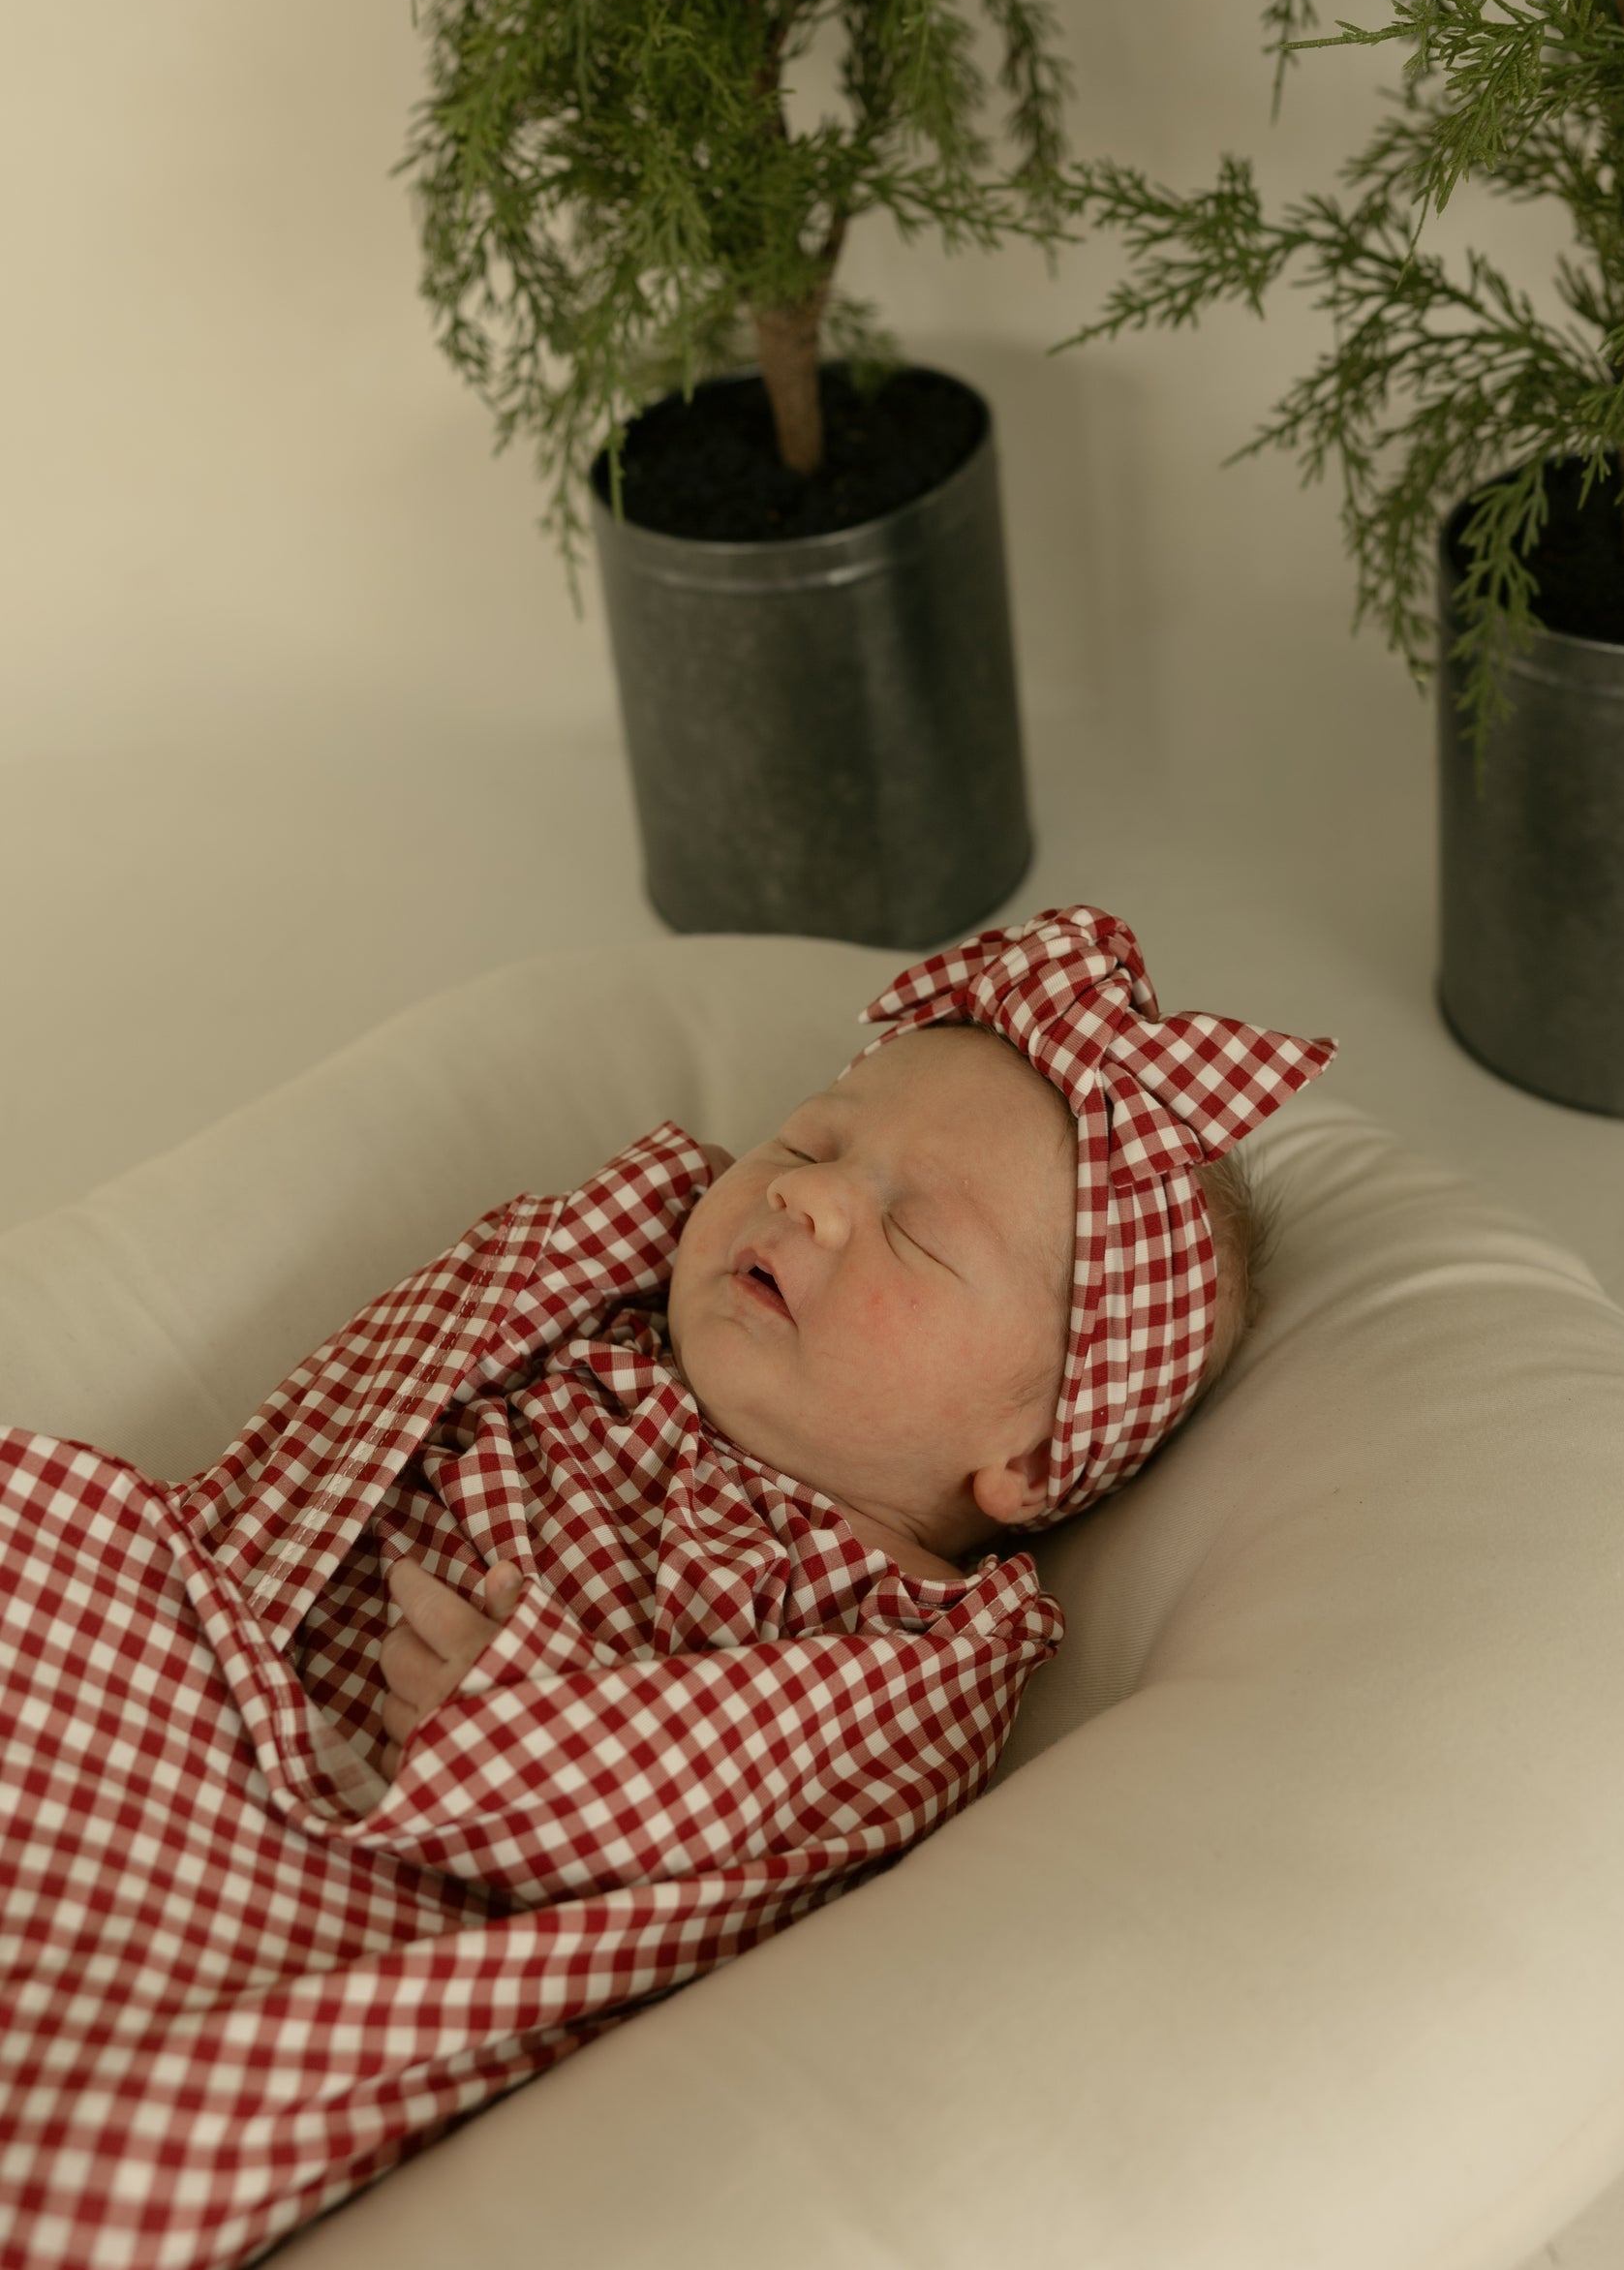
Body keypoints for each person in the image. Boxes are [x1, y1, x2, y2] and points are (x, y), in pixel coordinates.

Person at [0, 906, 1333, 2270]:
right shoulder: (601, 1324)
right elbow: (380, 1381)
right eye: (809, 1141)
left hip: (378, 1895)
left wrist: (524, 1727)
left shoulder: (921, 1633)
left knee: (110, 2137)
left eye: (916, 1237)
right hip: (197, 1692)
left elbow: (763, 1812)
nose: (805, 1193)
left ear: (1034, 1457)